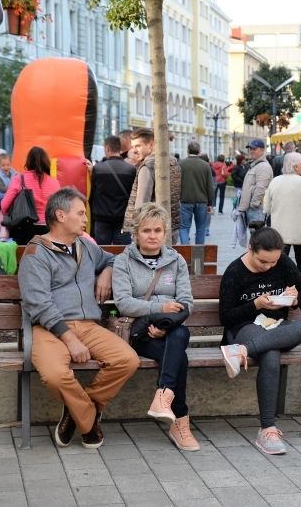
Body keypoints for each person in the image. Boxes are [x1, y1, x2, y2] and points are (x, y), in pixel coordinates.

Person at [18, 187, 139, 449]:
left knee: (127, 360)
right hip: (49, 329)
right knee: (54, 375)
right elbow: (38, 304)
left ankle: (76, 411)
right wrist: (70, 339)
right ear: (60, 215)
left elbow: (113, 259)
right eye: (81, 213)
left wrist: (106, 272)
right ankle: (88, 417)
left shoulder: (85, 246)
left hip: (88, 326)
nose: (86, 219)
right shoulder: (36, 254)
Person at [218, 224, 301, 455]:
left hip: (276, 326)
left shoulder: (283, 263)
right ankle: (267, 428)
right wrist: (255, 304)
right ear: (250, 248)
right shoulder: (235, 271)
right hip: (245, 327)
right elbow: (226, 317)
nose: (268, 266)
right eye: (263, 261)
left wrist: (294, 299)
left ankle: (242, 350)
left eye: (273, 262)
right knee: (270, 352)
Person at [113, 203, 198, 451]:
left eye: (158, 230)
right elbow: (123, 303)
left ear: (164, 232)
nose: (152, 236)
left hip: (171, 330)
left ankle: (164, 397)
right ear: (136, 233)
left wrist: (165, 324)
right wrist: (159, 311)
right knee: (179, 356)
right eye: (146, 230)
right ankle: (180, 421)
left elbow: (186, 302)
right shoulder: (124, 261)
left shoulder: (176, 260)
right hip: (140, 333)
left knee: (178, 336)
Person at [122, 129, 182, 244]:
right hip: (171, 228)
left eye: (138, 146)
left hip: (151, 233)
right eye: (133, 146)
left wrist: (136, 235)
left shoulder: (148, 167)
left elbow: (141, 205)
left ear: (151, 144)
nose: (134, 151)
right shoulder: (175, 164)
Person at [264, 152, 301, 275]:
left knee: (278, 266)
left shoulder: (275, 181)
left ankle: (279, 286)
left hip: (280, 232)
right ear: (295, 166)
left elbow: (267, 209)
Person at [0, 146, 61, 245]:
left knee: (24, 253)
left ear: (29, 162)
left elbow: (4, 205)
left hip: (24, 227)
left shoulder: (20, 179)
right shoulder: (54, 182)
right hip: (48, 228)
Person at [89, 136, 136, 246]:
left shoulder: (98, 168)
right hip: (123, 218)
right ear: (119, 148)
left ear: (107, 148)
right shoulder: (131, 169)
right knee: (122, 251)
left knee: (102, 250)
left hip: (102, 217)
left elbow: (93, 191)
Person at [178, 142, 214, 245]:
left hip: (185, 200)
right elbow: (210, 186)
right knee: (201, 228)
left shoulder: (180, 164)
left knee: (184, 228)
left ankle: (186, 251)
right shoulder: (205, 165)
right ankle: (199, 252)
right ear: (199, 151)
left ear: (187, 151)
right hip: (202, 201)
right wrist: (210, 203)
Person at [237, 139, 273, 224]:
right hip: (254, 209)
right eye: (251, 149)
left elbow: (261, 188)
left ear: (262, 150)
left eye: (254, 149)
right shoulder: (256, 165)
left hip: (258, 210)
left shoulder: (263, 167)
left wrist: (253, 205)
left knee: (258, 232)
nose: (251, 151)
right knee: (254, 233)